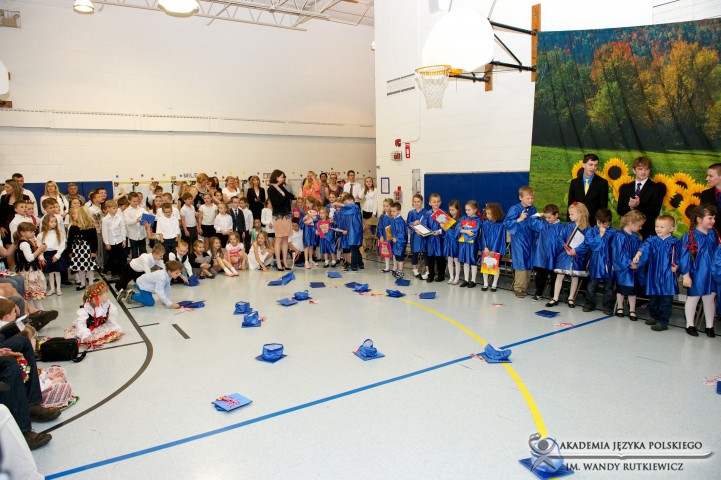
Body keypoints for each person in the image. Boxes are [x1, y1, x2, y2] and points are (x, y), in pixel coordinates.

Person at [632, 215, 680, 332]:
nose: (658, 229)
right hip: (654, 274)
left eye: (662, 227)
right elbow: (644, 247)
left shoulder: (675, 243)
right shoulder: (652, 240)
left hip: (668, 275)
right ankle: (654, 316)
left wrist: (677, 266)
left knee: (666, 300)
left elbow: (680, 257)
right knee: (654, 298)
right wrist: (638, 255)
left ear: (671, 229)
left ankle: (663, 321)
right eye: (657, 226)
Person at [678, 205, 718, 337]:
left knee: (709, 299)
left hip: (711, 273)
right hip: (696, 273)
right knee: (693, 298)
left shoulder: (714, 235)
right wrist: (686, 275)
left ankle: (709, 326)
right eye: (710, 218)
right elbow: (684, 258)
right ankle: (690, 324)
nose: (713, 221)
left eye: (714, 218)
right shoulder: (689, 236)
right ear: (699, 219)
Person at [546, 202, 590, 308]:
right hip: (565, 254)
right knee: (559, 275)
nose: (569, 216)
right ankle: (555, 297)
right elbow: (560, 238)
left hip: (577, 256)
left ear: (581, 213)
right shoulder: (567, 225)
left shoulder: (587, 228)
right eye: (569, 214)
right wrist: (566, 248)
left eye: (572, 214)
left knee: (575, 277)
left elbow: (587, 243)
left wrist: (576, 250)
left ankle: (571, 298)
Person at [616, 156, 665, 240]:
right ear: (634, 170)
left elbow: (655, 211)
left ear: (649, 171)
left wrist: (638, 205)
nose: (643, 172)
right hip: (627, 234)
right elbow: (620, 210)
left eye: (646, 169)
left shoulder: (656, 188)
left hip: (646, 233)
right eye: (640, 169)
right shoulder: (625, 188)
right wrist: (631, 207)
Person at [503, 186, 537, 298]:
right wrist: (519, 219)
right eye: (528, 198)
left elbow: (534, 223)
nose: (530, 200)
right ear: (520, 198)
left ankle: (525, 287)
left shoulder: (533, 209)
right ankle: (518, 288)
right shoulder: (515, 209)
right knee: (521, 262)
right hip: (519, 239)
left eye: (532, 198)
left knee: (529, 261)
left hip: (530, 239)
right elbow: (506, 223)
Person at [613, 210, 646, 320]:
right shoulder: (619, 236)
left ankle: (632, 310)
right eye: (639, 225)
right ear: (631, 223)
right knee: (621, 289)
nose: (641, 228)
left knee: (633, 290)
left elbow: (641, 252)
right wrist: (629, 263)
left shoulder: (636, 237)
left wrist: (637, 263)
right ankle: (620, 307)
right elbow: (618, 253)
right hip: (623, 269)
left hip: (634, 268)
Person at [583, 209, 617, 315]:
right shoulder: (591, 231)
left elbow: (616, 249)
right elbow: (591, 244)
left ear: (609, 222)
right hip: (595, 262)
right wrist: (600, 235)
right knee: (592, 285)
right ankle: (589, 303)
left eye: (604, 223)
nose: (601, 225)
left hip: (608, 262)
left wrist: (615, 263)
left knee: (608, 286)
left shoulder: (614, 233)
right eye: (599, 223)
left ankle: (608, 306)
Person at [69, 281, 123, 345]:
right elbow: (80, 324)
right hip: (87, 329)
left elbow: (112, 321)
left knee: (112, 334)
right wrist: (85, 335)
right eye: (106, 293)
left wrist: (116, 329)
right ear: (99, 296)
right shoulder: (86, 309)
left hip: (100, 327)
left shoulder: (108, 306)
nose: (108, 295)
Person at [530, 204, 562, 301]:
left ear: (556, 215)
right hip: (542, 255)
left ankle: (553, 295)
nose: (547, 219)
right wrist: (539, 214)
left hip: (555, 256)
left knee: (554, 276)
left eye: (549, 217)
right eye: (546, 217)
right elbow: (531, 221)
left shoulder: (562, 227)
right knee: (540, 276)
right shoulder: (543, 224)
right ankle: (538, 293)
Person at [13, 223, 47, 308]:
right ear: (22, 233)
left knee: (34, 295)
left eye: (34, 231)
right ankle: (35, 310)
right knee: (32, 294)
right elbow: (29, 258)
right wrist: (39, 250)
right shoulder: (24, 244)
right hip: (29, 272)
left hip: (30, 271)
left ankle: (38, 310)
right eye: (31, 231)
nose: (33, 233)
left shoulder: (28, 242)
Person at [567, 153, 609, 222]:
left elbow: (603, 207)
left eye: (595, 165)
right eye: (591, 165)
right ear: (583, 165)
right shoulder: (574, 182)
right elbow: (571, 204)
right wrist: (569, 223)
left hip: (594, 223)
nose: (593, 168)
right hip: (577, 222)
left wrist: (601, 223)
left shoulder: (602, 183)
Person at [267, 169, 295, 271]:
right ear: (276, 177)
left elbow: (290, 195)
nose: (283, 178)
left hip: (286, 214)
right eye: (282, 177)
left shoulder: (281, 187)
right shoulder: (270, 189)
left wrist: (295, 197)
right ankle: (278, 262)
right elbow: (276, 203)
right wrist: (286, 197)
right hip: (278, 216)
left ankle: (284, 262)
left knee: (285, 238)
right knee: (278, 239)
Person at [67, 206, 98, 291]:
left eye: (75, 214)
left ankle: (91, 283)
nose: (73, 216)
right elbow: (70, 240)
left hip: (87, 250)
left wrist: (93, 251)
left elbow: (94, 240)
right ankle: (82, 283)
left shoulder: (91, 227)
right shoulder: (73, 227)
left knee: (89, 268)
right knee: (80, 267)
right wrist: (69, 251)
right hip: (77, 250)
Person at [37, 215, 67, 297]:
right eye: (52, 222)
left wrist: (57, 255)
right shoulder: (40, 235)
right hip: (47, 254)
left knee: (57, 272)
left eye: (55, 221)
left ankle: (58, 288)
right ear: (46, 223)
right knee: (50, 273)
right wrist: (41, 257)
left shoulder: (59, 233)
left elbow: (62, 246)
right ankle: (52, 289)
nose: (54, 223)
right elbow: (39, 247)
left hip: (56, 254)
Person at [480, 203, 506, 292]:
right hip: (487, 248)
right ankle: (485, 283)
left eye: (489, 213)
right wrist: (485, 247)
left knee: (496, 266)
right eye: (486, 213)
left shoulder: (500, 225)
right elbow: (483, 236)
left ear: (495, 213)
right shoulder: (485, 224)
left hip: (496, 249)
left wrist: (494, 250)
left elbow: (499, 238)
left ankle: (494, 284)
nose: (487, 215)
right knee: (485, 265)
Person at [422, 193, 446, 282]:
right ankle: (431, 274)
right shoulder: (427, 214)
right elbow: (424, 226)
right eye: (434, 202)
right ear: (430, 203)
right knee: (430, 257)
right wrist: (425, 231)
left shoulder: (442, 214)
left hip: (440, 239)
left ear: (441, 202)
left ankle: (441, 275)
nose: (436, 203)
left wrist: (439, 231)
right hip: (430, 239)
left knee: (440, 257)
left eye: (438, 201)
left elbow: (446, 227)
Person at [457, 200, 481, 288]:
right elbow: (458, 228)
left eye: (469, 210)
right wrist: (466, 231)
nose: (467, 212)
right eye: (466, 210)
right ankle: (466, 279)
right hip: (463, 243)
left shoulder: (478, 220)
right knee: (465, 261)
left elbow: (474, 231)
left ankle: (473, 280)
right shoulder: (463, 218)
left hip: (472, 244)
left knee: (472, 260)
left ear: (475, 210)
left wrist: (464, 230)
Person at [101, 199, 126, 279]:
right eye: (113, 208)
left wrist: (124, 239)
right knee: (112, 257)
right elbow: (104, 232)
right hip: (111, 242)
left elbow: (122, 229)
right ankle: (114, 272)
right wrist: (107, 243)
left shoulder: (119, 217)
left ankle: (121, 272)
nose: (116, 210)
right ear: (108, 209)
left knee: (121, 257)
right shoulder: (105, 219)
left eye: (116, 208)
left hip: (119, 240)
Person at [1, 180, 30, 248]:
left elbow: (29, 210)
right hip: (6, 226)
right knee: (9, 246)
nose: (5, 189)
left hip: (21, 223)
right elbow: (1, 213)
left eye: (8, 187)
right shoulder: (4, 197)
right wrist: (1, 227)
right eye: (5, 187)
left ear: (14, 187)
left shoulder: (25, 197)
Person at [407, 194, 428, 279]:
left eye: (418, 201)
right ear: (412, 202)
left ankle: (427, 271)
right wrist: (414, 224)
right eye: (415, 201)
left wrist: (422, 230)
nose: (416, 203)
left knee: (425, 252)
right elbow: (408, 224)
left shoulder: (426, 212)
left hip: (423, 235)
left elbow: (427, 224)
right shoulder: (411, 213)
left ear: (421, 202)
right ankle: (414, 269)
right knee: (415, 252)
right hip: (415, 236)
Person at [443, 200, 462, 285]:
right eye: (450, 210)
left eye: (453, 210)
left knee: (456, 260)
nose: (451, 211)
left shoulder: (461, 219)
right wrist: (443, 226)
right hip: (448, 242)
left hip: (455, 242)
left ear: (458, 210)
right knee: (449, 260)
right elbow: (445, 230)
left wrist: (446, 227)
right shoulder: (447, 218)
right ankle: (451, 277)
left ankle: (457, 277)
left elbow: (458, 232)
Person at [124, 192, 147, 259]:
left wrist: (147, 220)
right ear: (129, 201)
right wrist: (136, 220)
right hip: (133, 235)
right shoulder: (126, 211)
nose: (136, 203)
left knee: (143, 252)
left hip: (142, 234)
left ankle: (144, 264)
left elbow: (147, 217)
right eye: (134, 201)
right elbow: (128, 222)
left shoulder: (142, 209)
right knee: (134, 253)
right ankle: (134, 265)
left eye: (137, 201)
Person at [389, 201, 407, 278]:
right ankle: (398, 270)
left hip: (400, 242)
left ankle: (400, 272)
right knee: (396, 256)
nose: (392, 213)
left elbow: (402, 232)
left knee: (400, 257)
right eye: (391, 211)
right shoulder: (394, 219)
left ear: (399, 211)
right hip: (395, 241)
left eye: (394, 211)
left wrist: (397, 238)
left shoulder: (400, 221)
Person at [700, 163, 721, 227]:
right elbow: (702, 217)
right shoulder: (705, 194)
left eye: (710, 176)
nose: (707, 179)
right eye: (707, 175)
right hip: (712, 232)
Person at [302, 197, 320, 268]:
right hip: (307, 229)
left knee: (311, 245)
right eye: (306, 203)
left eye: (309, 203)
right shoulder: (303, 211)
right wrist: (304, 219)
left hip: (312, 229)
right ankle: (306, 261)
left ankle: (310, 260)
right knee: (306, 245)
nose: (308, 204)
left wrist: (312, 220)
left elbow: (318, 219)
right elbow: (300, 221)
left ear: (313, 203)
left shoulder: (316, 211)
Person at [377, 198, 393, 273]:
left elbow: (394, 228)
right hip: (384, 236)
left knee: (393, 252)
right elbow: (380, 227)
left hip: (391, 238)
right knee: (386, 251)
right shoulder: (382, 216)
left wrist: (390, 238)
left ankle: (395, 267)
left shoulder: (393, 216)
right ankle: (387, 267)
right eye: (384, 206)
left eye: (387, 206)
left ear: (391, 206)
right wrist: (381, 236)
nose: (385, 207)